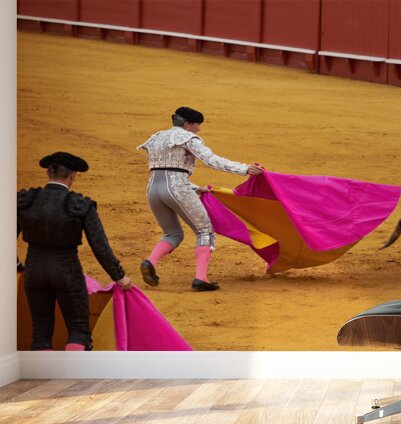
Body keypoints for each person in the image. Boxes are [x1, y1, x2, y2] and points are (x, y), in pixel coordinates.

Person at [138, 106, 264, 292]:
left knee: (172, 233)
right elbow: (211, 160)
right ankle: (200, 278)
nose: (199, 129)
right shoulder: (188, 138)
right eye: (197, 125)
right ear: (188, 124)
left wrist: (196, 188)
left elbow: (165, 171)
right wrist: (244, 169)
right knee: (205, 231)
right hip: (177, 188)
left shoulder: (155, 138)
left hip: (153, 189)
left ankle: (150, 262)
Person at [17, 152, 132, 351]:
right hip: (66, 271)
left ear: (48, 172)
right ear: (72, 177)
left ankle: (44, 380)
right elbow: (99, 245)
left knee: (41, 332)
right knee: (78, 330)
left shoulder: (25, 200)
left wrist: (17, 265)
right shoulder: (80, 204)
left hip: (34, 270)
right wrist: (119, 276)